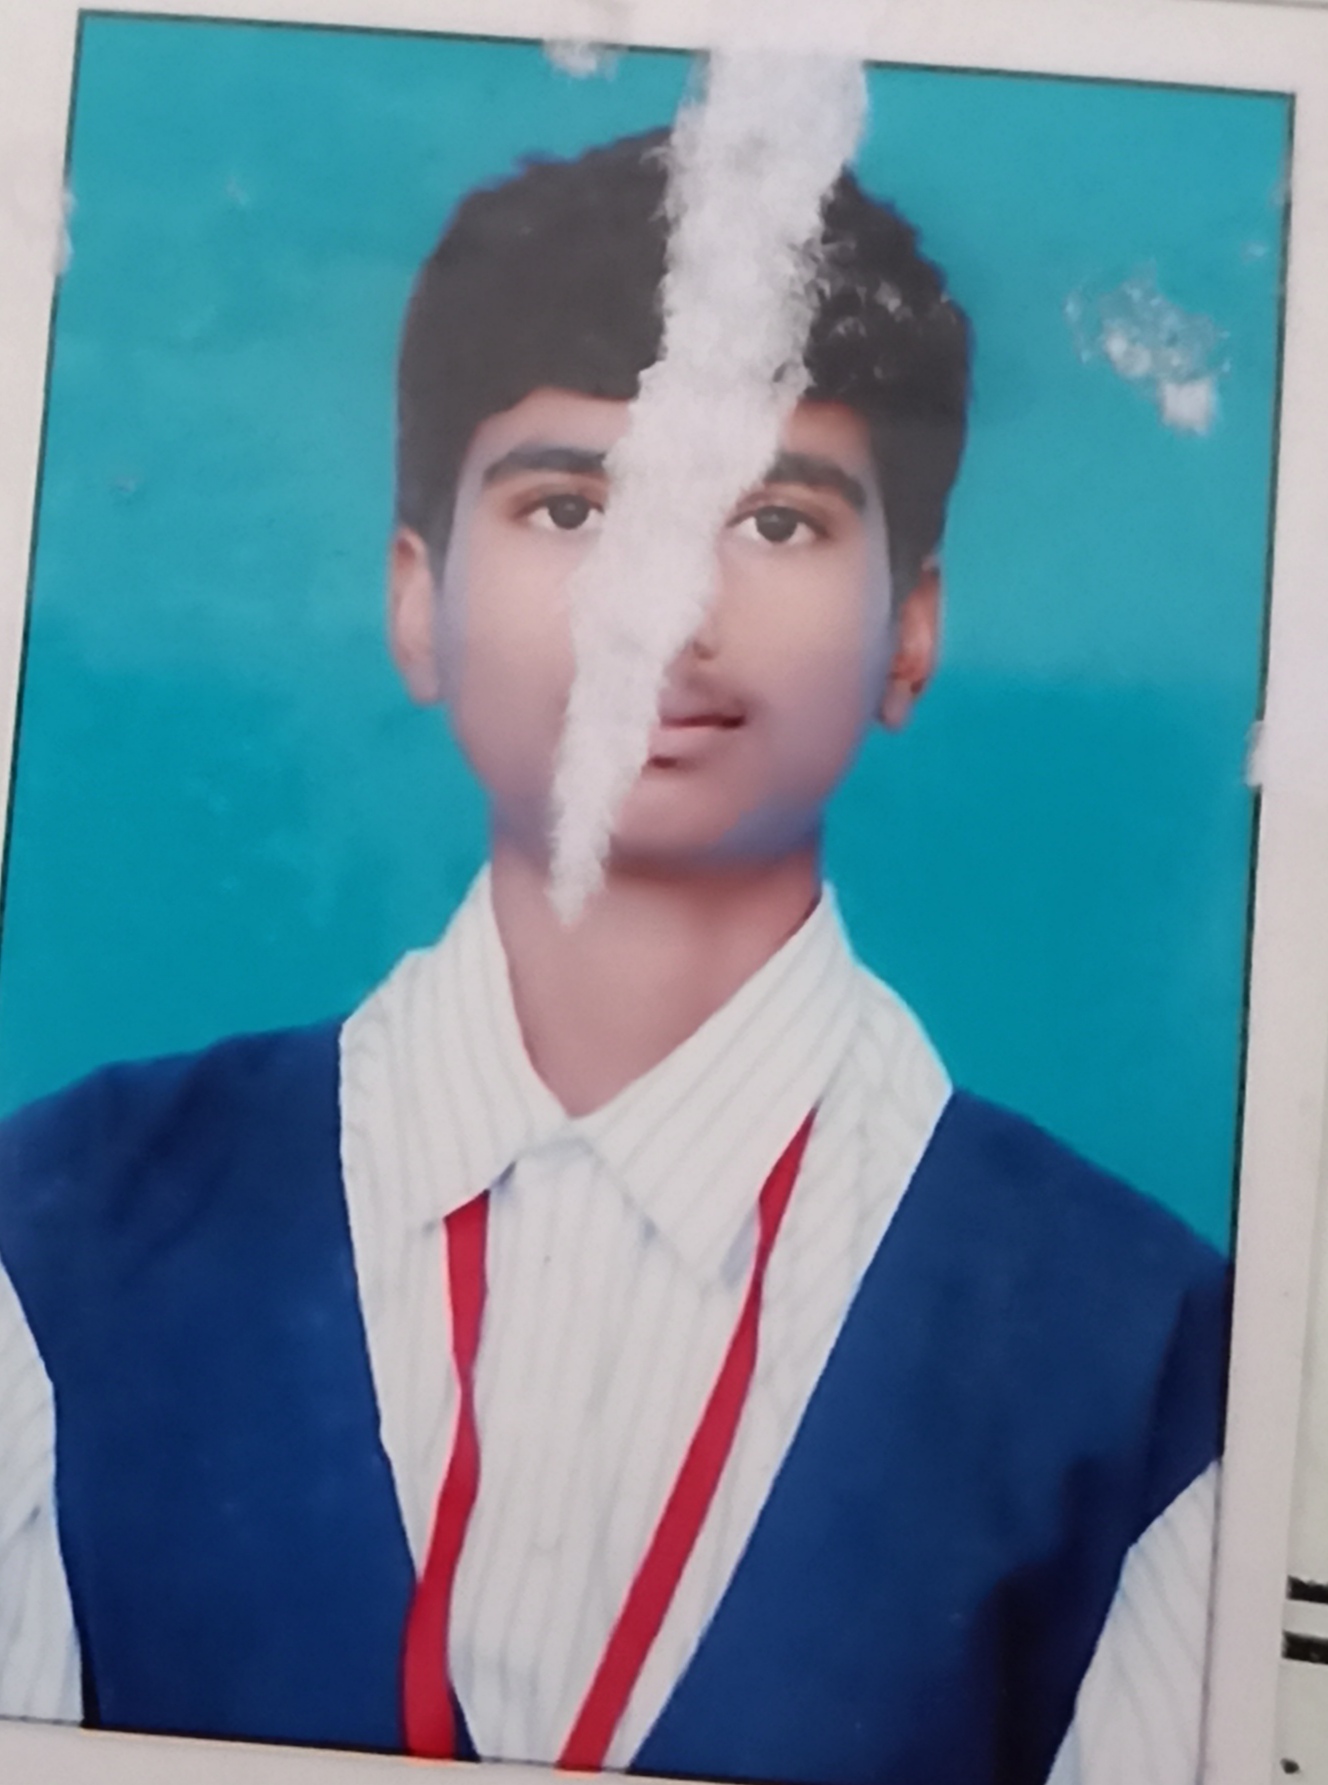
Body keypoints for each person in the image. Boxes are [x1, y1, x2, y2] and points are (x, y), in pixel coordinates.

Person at [0, 130, 1226, 1784]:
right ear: (417, 599)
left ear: (914, 626)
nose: (663, 608)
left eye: (774, 520)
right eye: (573, 505)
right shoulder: (57, 1234)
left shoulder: (1151, 1359)